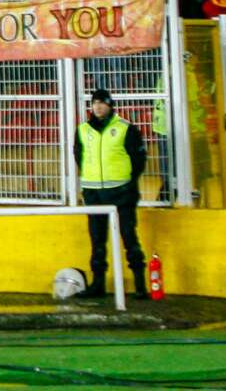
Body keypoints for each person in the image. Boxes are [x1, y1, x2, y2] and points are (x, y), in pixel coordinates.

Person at [71, 89, 147, 298]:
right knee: (97, 240)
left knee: (128, 236)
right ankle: (98, 284)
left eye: (102, 103)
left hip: (121, 193)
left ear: (110, 105)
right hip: (94, 193)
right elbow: (79, 156)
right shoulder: (82, 130)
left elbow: (138, 160)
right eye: (95, 103)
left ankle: (140, 286)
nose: (98, 107)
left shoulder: (125, 129)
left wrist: (127, 184)